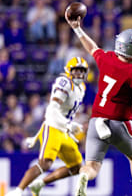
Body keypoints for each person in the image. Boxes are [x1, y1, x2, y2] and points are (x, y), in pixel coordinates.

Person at [65, 13, 132, 196]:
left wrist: (77, 28)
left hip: (97, 119)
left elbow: (92, 47)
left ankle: (84, 176)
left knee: (91, 166)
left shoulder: (108, 58)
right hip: (119, 121)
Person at [5, 57, 89, 196]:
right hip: (53, 127)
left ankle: (40, 183)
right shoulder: (65, 83)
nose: (79, 74)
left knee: (77, 167)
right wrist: (68, 125)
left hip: (64, 131)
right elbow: (53, 109)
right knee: (45, 163)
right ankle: (18, 191)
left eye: (82, 71)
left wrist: (69, 125)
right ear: (69, 70)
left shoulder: (82, 87)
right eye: (76, 71)